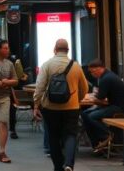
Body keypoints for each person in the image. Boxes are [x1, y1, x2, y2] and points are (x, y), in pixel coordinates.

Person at [33, 39, 89, 171]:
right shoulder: (76, 66)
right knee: (70, 135)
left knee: (53, 136)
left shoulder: (47, 65)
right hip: (72, 108)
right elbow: (85, 88)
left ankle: (58, 166)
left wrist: (36, 105)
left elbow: (39, 87)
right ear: (68, 50)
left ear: (55, 49)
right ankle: (69, 164)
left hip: (50, 108)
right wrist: (77, 99)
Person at [80, 59, 124, 154]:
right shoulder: (107, 76)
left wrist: (93, 97)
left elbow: (100, 98)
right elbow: (102, 96)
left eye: (93, 72)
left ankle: (107, 134)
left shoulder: (106, 78)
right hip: (112, 104)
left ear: (99, 69)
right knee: (84, 113)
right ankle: (96, 143)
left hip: (117, 107)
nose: (92, 74)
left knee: (91, 116)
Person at [7, 50, 28, 140]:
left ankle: (11, 129)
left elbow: (19, 75)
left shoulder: (13, 61)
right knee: (11, 110)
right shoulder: (13, 60)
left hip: (10, 88)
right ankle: (11, 129)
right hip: (7, 88)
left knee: (11, 110)